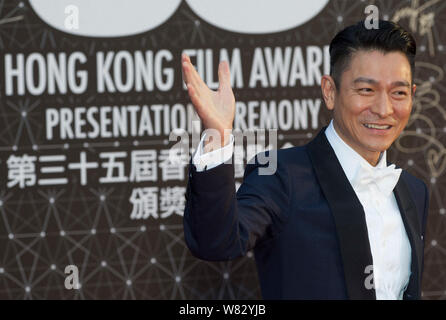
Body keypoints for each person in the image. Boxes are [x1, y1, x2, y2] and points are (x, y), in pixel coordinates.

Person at [181, 20, 429, 300]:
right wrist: (217, 133)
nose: (384, 110)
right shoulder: (281, 175)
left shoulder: (414, 191)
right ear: (330, 91)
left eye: (398, 93)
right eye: (366, 91)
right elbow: (216, 242)